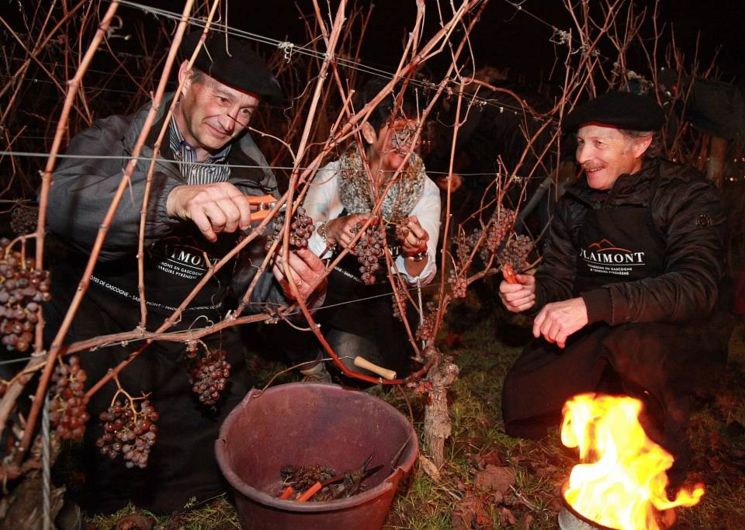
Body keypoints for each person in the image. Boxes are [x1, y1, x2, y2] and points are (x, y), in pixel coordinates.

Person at [44, 31, 326, 514]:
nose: (231, 119)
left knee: (212, 465)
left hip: (192, 330)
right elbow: (60, 200)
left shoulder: (254, 176)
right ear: (185, 78)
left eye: (246, 111)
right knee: (103, 453)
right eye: (222, 97)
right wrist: (170, 200)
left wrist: (291, 289)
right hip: (106, 313)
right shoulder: (120, 136)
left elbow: (250, 284)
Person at [498, 91, 734, 475]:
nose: (581, 157)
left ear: (641, 144)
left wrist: (593, 306)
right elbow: (559, 278)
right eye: (579, 143)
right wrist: (534, 292)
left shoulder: (688, 196)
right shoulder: (575, 203)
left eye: (598, 144)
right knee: (524, 400)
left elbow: (696, 286)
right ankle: (602, 391)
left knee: (635, 347)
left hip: (669, 330)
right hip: (599, 323)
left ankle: (653, 451)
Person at [264, 80, 441, 382]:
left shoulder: (423, 191)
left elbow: (421, 279)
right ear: (370, 133)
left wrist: (417, 251)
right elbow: (296, 249)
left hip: (380, 299)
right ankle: (311, 366)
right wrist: (332, 230)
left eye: (416, 135)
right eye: (399, 133)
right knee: (275, 299)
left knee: (353, 357)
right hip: (327, 289)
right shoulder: (334, 176)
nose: (409, 143)